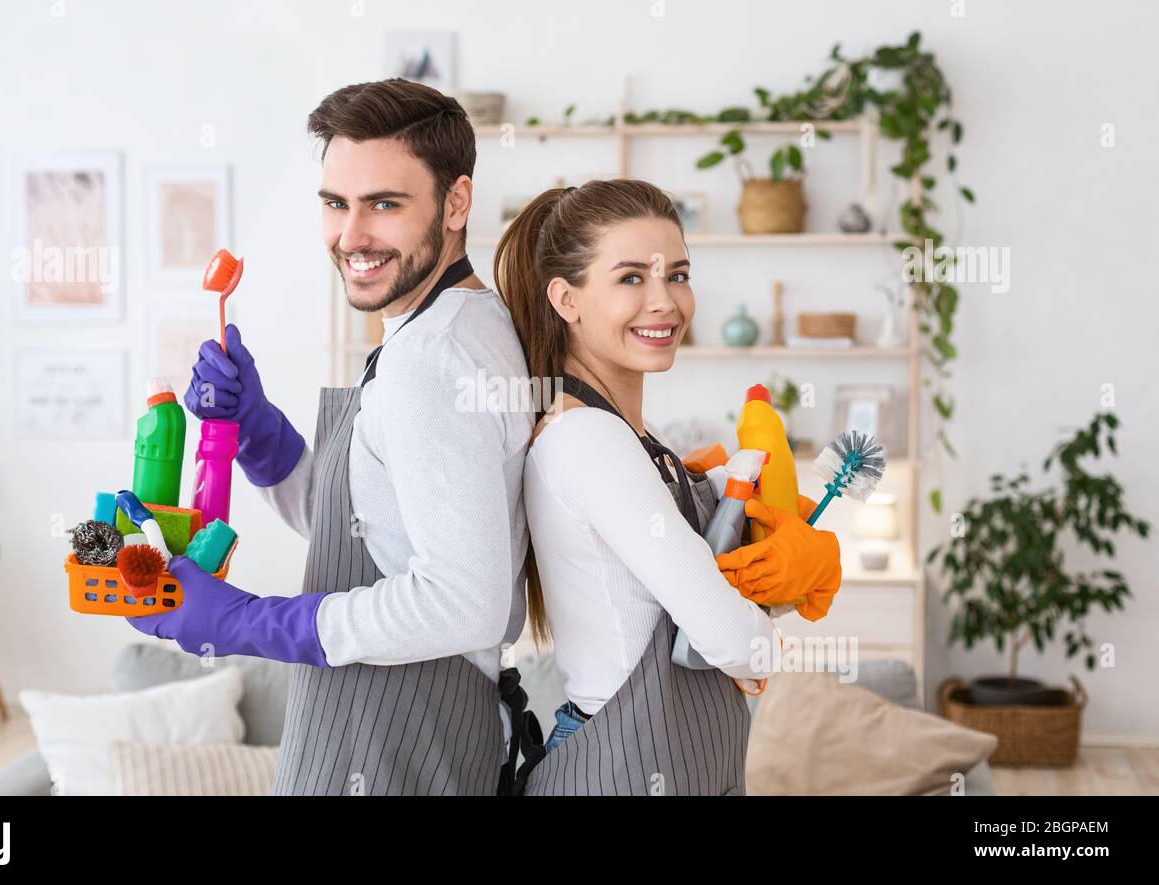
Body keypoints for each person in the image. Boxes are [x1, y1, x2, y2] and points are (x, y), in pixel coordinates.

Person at [128, 79, 534, 796]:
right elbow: (368, 526)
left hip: (399, 734)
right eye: (335, 204)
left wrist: (253, 622)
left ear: (457, 203)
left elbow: (462, 601)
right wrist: (258, 430)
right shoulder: (448, 327)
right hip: (397, 724)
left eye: (384, 203)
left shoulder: (435, 359)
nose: (351, 237)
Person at [494, 179, 842, 795]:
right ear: (566, 298)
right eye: (631, 278)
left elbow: (698, 608)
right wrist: (761, 632)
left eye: (677, 274)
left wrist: (780, 569)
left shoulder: (632, 438)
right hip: (622, 769)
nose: (666, 301)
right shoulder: (588, 441)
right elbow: (733, 640)